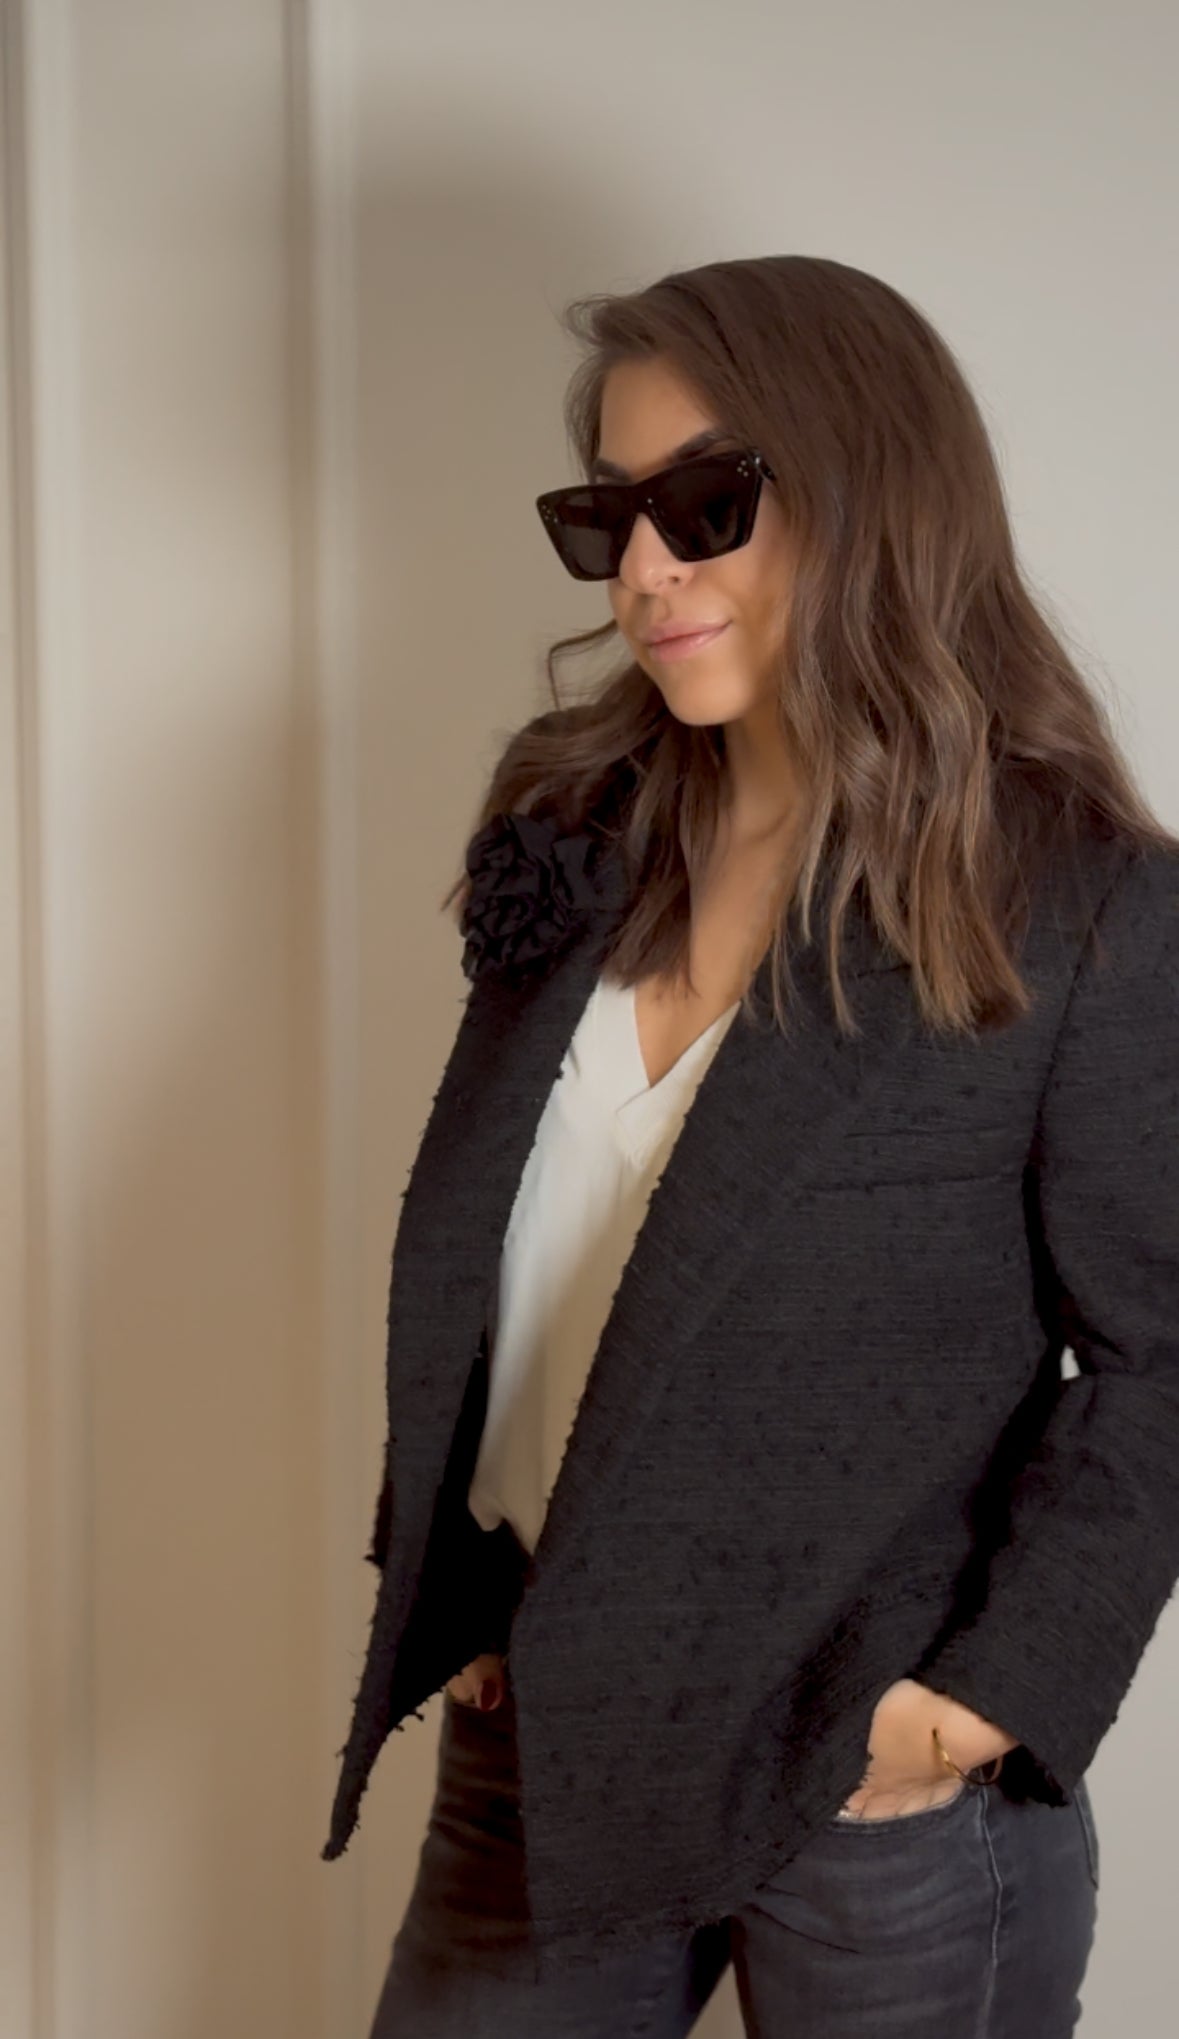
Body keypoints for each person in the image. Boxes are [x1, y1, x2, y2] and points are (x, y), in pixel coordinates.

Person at [322, 254, 1179, 2037]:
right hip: (550, 1723)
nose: (646, 571)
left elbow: (1166, 1354)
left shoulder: (1077, 904)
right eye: (609, 517)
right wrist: (470, 1578)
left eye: (706, 505)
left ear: (876, 491)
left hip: (873, 1784)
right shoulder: (576, 824)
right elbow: (517, 1254)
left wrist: (978, 1702)